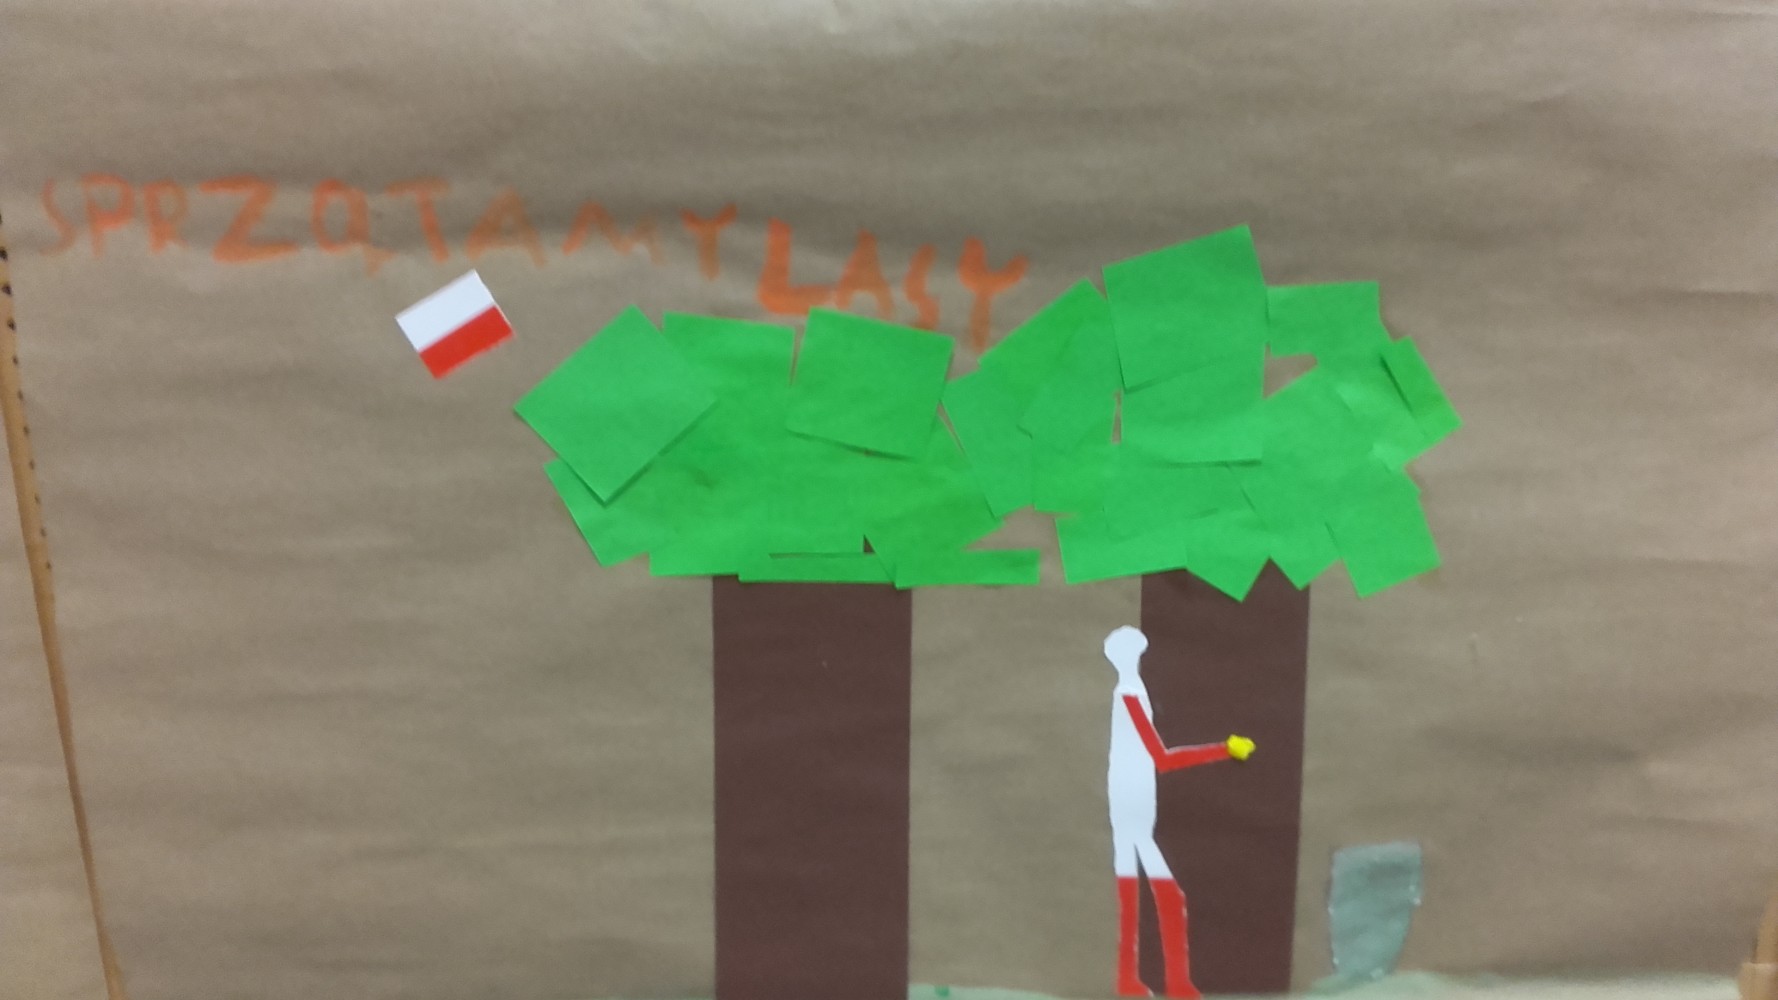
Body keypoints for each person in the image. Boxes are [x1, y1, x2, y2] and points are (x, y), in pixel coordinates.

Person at [1104, 625, 1255, 999]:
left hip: (1132, 804)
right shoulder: (1129, 695)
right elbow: (1162, 759)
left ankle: (1140, 981)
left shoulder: (1132, 690)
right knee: (1161, 895)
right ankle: (1171, 984)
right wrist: (1224, 749)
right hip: (1132, 806)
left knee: (1132, 892)